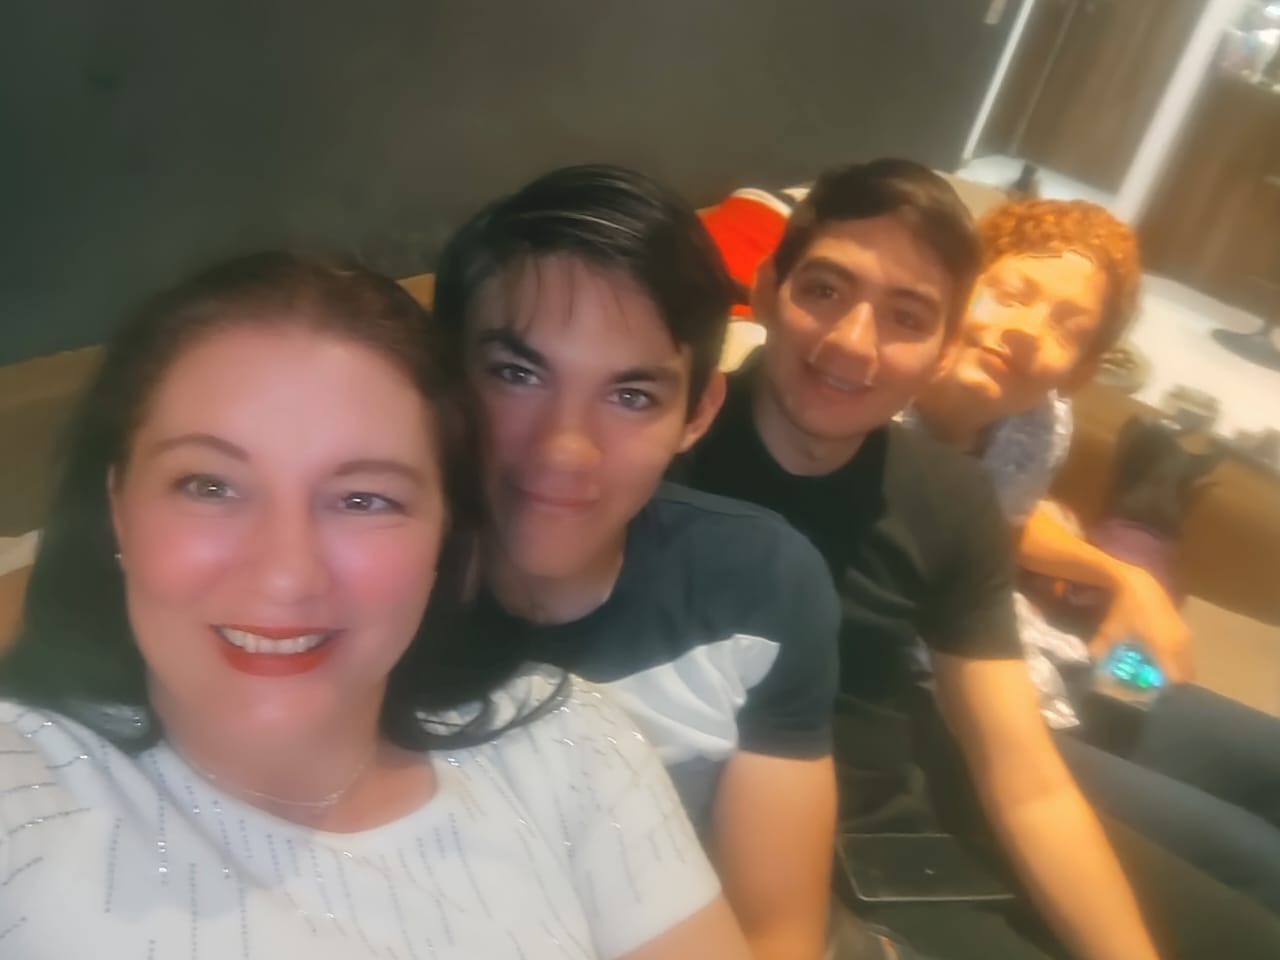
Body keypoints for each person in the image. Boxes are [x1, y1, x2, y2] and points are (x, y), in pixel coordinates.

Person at [0, 253, 751, 959]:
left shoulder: (570, 746)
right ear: (117, 510)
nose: (285, 574)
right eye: (209, 486)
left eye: (363, 499)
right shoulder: (22, 791)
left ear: (444, 536)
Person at [678, 157, 1280, 960]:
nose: (854, 341)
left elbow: (1024, 777)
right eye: (824, 290)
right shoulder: (663, 456)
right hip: (848, 845)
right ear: (767, 287)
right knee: (1247, 860)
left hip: (1002, 724)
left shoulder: (966, 479)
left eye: (906, 315)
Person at [432, 165, 855, 960]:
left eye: (631, 396)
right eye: (518, 374)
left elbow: (774, 934)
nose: (564, 449)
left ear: (698, 413)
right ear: (447, 378)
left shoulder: (761, 590)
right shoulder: (368, 604)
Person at [906, 198, 1280, 914]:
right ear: (960, 282)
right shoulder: (875, 399)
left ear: (1079, 371)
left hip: (1050, 653)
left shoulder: (1038, 421)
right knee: (1255, 858)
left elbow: (1003, 526)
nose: (1027, 328)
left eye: (1066, 328)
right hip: (961, 713)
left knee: (1257, 751)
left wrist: (1126, 578)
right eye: (1011, 292)